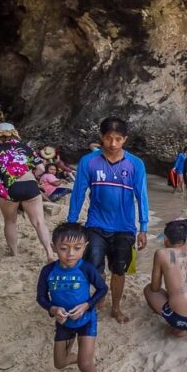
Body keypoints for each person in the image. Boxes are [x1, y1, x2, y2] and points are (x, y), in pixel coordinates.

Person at [68, 117, 149, 324]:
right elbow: (78, 192)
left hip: (125, 228)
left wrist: (144, 227)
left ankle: (116, 308)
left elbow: (142, 196)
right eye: (108, 138)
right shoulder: (89, 161)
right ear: (101, 138)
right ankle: (99, 296)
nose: (113, 144)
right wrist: (71, 222)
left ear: (125, 139)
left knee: (119, 269)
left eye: (118, 139)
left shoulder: (136, 164)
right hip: (96, 225)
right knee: (94, 266)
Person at [36, 223, 107, 372]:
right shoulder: (48, 270)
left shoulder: (86, 268)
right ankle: (86, 359)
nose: (70, 254)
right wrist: (52, 309)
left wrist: (87, 305)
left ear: (84, 247)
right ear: (54, 246)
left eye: (77, 248)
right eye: (64, 248)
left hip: (86, 320)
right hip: (63, 322)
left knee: (85, 364)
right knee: (59, 363)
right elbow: (41, 297)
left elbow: (102, 289)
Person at [0, 122, 55, 262]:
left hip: (9, 188)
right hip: (30, 186)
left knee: (10, 222)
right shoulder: (25, 148)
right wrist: (32, 176)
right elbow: (41, 168)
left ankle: (14, 253)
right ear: (14, 134)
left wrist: (3, 189)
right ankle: (49, 253)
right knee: (39, 222)